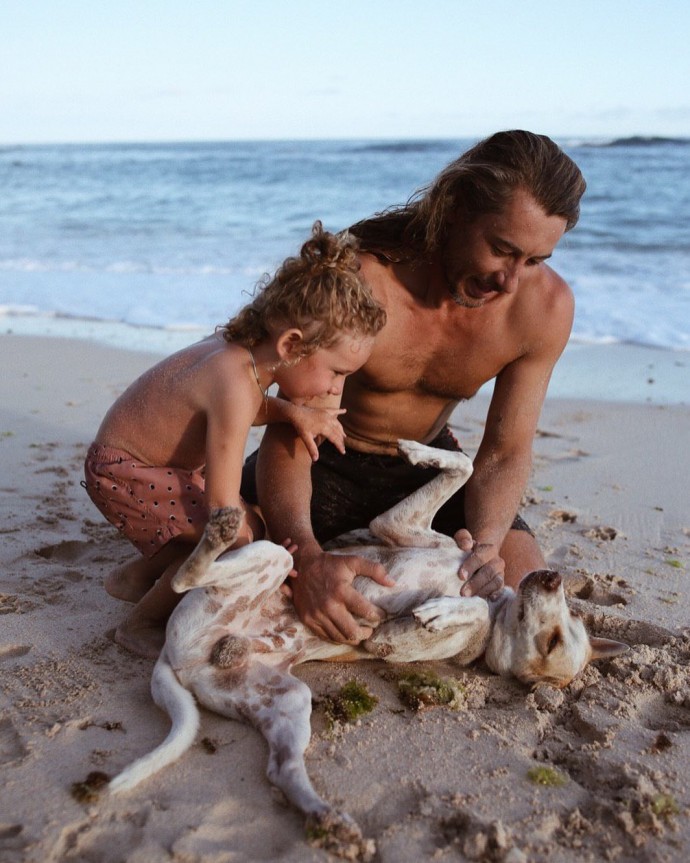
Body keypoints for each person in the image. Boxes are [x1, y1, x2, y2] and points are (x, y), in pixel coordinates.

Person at [241, 130, 587, 645]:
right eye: (502, 250)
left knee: (529, 613)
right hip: (324, 457)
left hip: (428, 468)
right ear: (453, 211)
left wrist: (486, 544)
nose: (510, 282)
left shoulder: (544, 308)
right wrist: (307, 557)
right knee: (233, 572)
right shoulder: (363, 278)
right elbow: (295, 427)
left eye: (535, 261)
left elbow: (505, 451)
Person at [83, 223, 387, 658]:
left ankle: (133, 579)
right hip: (127, 475)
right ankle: (141, 623)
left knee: (253, 526)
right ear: (291, 345)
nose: (336, 387)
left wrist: (292, 412)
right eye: (336, 372)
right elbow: (222, 512)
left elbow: (234, 413)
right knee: (242, 537)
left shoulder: (239, 352)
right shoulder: (236, 384)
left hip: (133, 462)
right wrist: (260, 556)